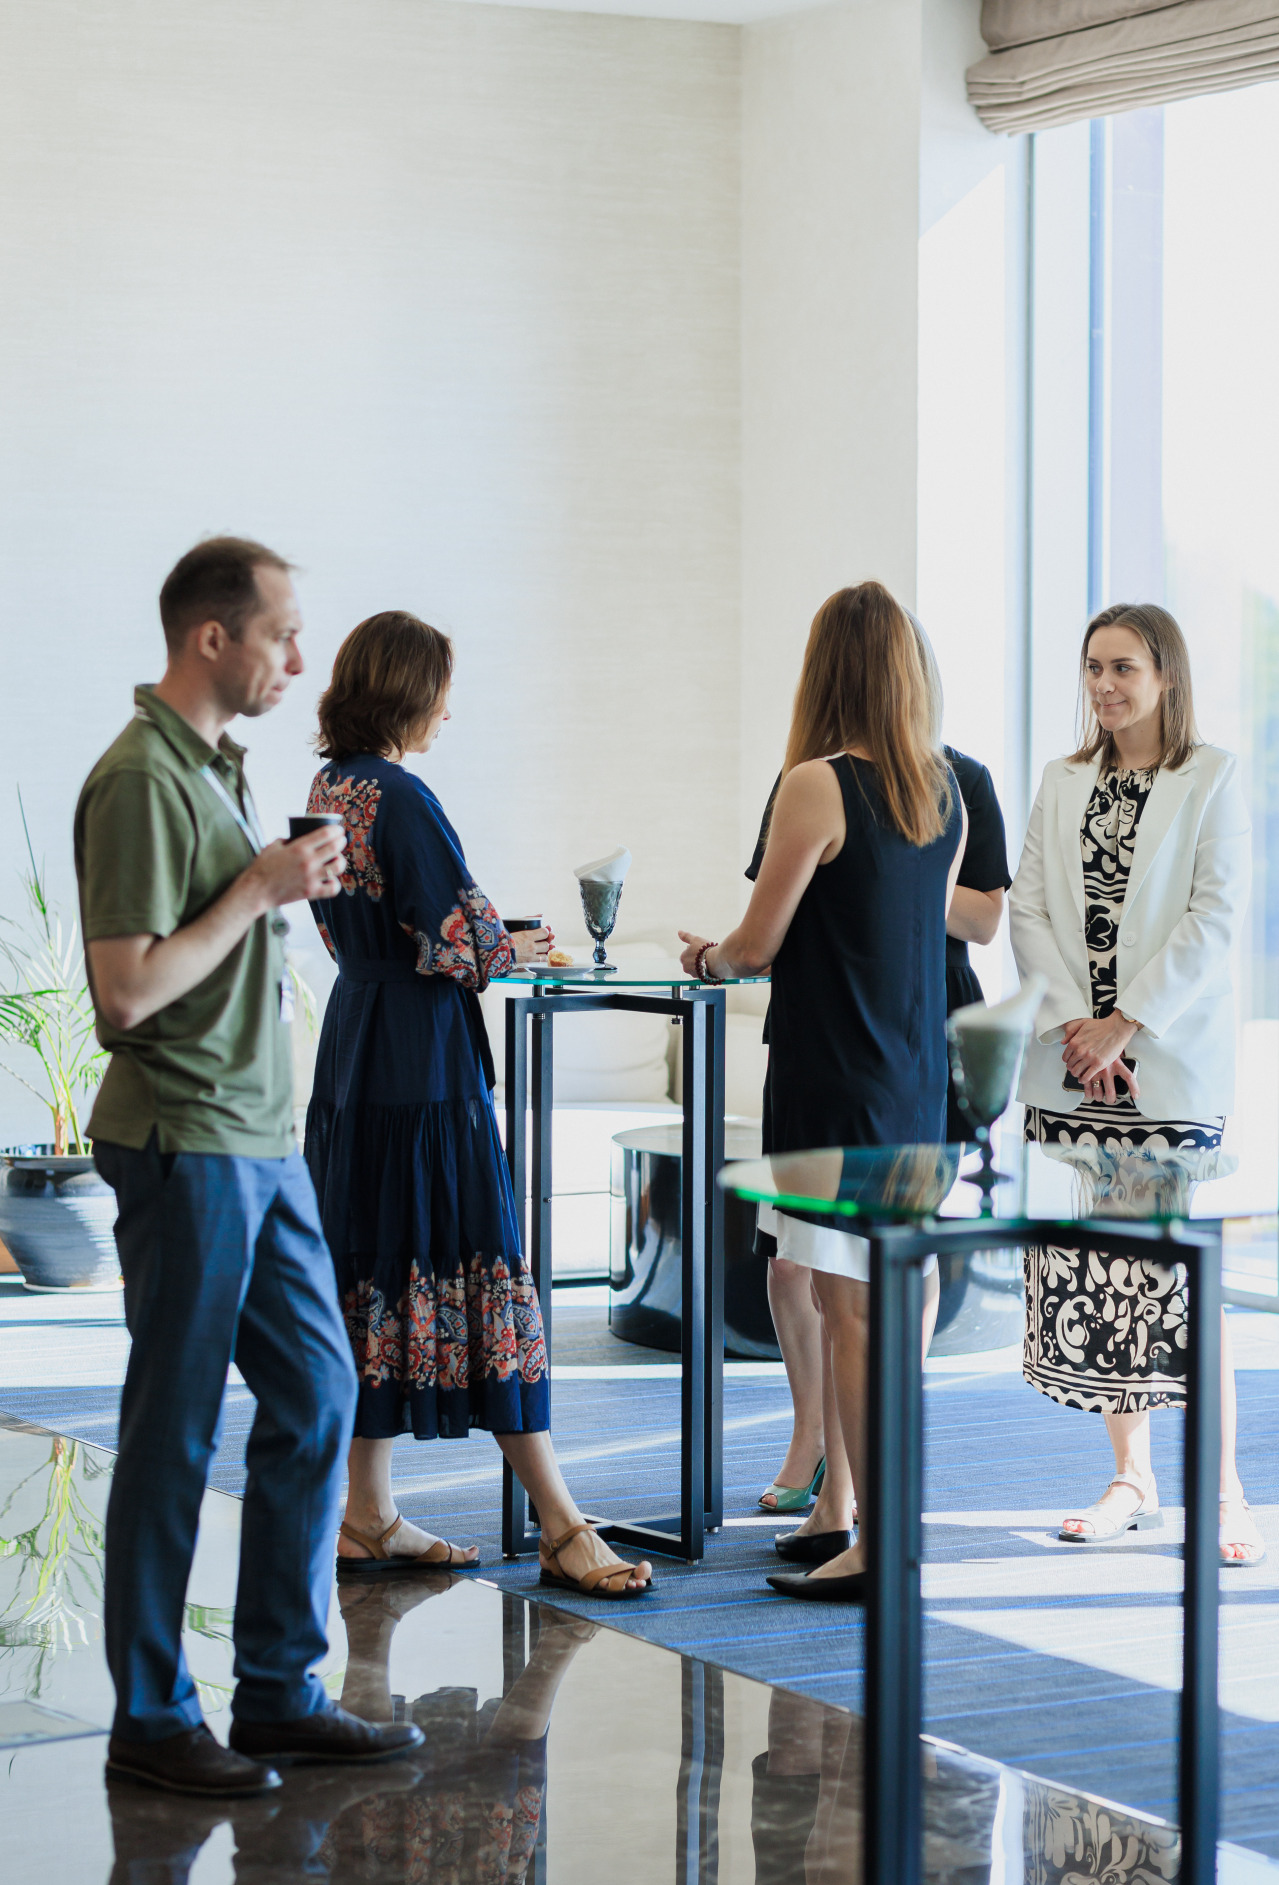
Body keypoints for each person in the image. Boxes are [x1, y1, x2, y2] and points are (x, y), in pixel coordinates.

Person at [76, 537, 425, 1799]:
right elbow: (124, 996)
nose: (300, 658)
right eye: (282, 632)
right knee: (171, 1430)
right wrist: (260, 890)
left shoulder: (213, 770)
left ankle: (278, 1691)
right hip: (183, 1135)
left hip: (256, 1141)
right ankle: (154, 1716)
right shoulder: (138, 782)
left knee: (320, 1393)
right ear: (212, 638)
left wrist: (272, 890)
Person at [302, 611, 651, 1597]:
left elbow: (368, 923)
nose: (448, 712)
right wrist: (516, 947)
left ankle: (365, 1513)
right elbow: (464, 935)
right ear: (410, 691)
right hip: (422, 1065)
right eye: (441, 691)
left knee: (373, 1270)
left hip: (355, 1047)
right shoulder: (402, 795)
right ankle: (562, 1524)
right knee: (474, 1267)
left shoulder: (331, 786)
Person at [678, 581, 966, 1599]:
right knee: (875, 1313)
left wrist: (708, 957)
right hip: (911, 1079)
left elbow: (758, 943)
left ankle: (874, 1542)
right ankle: (846, 1514)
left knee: (849, 1313)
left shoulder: (815, 783)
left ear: (824, 668)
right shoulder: (944, 790)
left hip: (832, 1080)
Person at [1010, 601, 1263, 1566]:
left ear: (1165, 676)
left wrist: (1125, 1023)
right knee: (1105, 1270)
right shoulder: (1062, 778)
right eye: (1092, 669)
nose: (1104, 687)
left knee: (1180, 1277)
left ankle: (1227, 1492)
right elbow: (1029, 905)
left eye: (1123, 668)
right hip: (1080, 1065)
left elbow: (1213, 918)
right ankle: (1132, 1479)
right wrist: (1078, 1030)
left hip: (1166, 1062)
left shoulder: (1211, 777)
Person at [748, 616, 1010, 1515]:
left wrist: (717, 958)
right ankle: (835, 1487)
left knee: (853, 1289)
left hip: (861, 1053)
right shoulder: (912, 789)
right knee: (847, 1272)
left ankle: (859, 1513)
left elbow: (757, 942)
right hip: (887, 1055)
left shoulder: (841, 784)